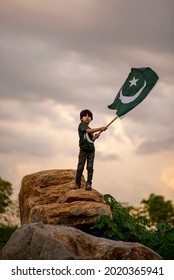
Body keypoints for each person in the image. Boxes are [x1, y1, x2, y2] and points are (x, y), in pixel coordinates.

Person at [74, 109, 107, 190]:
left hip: (91, 150)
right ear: (81, 118)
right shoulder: (81, 125)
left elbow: (91, 140)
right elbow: (88, 131)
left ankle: (89, 184)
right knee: (80, 167)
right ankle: (77, 184)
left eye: (89, 116)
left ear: (91, 119)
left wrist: (95, 137)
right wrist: (101, 128)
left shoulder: (90, 129)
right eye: (85, 116)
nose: (87, 117)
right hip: (83, 150)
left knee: (90, 167)